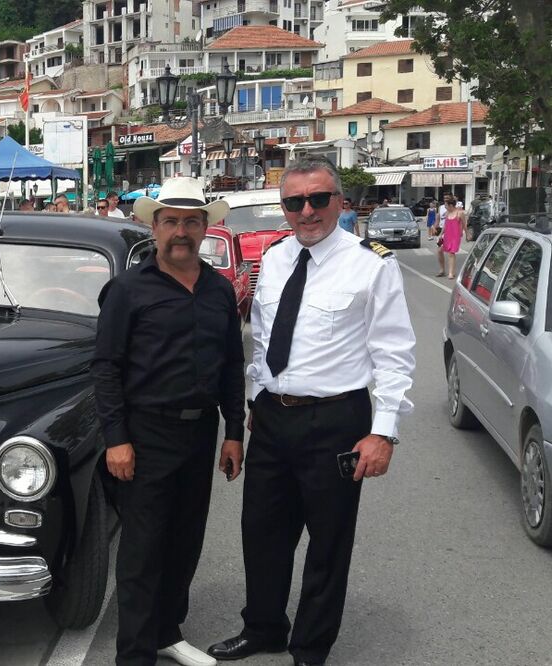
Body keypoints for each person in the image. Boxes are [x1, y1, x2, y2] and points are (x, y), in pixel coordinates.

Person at [208, 159, 415, 666]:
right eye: (294, 202)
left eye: (318, 199)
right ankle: (263, 628)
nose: (307, 211)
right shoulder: (275, 257)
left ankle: (310, 647)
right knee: (261, 532)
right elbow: (263, 340)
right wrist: (257, 398)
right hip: (273, 418)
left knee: (328, 541)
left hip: (336, 420)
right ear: (284, 208)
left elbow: (393, 353)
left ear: (340, 202)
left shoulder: (372, 264)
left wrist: (383, 432)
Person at [93, 177, 244, 666]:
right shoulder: (127, 290)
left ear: (205, 228)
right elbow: (106, 368)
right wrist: (116, 439)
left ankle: (166, 632)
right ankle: (135, 654)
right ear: (154, 227)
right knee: (142, 550)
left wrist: (234, 432)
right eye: (172, 221)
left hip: (200, 434)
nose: (182, 231)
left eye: (191, 222)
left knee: (185, 540)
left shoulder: (219, 290)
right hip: (145, 434)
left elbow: (231, 364)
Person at [438, 196, 467, 278]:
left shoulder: (460, 213)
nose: (445, 207)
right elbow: (445, 225)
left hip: (455, 236)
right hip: (447, 235)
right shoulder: (447, 213)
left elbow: (464, 224)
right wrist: (441, 234)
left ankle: (451, 272)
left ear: (450, 205)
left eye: (446, 205)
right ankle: (442, 269)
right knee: (439, 251)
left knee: (451, 253)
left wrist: (467, 234)